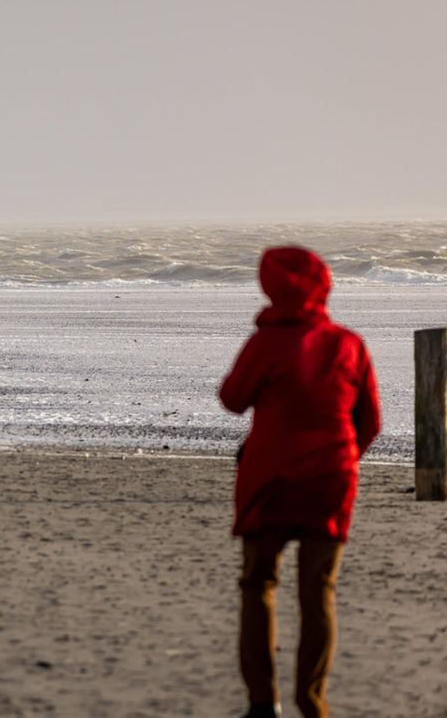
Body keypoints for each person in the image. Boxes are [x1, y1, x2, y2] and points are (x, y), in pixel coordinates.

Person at [219, 246, 380, 718]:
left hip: (268, 480)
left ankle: (262, 703)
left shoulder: (265, 343)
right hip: (330, 480)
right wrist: (344, 457)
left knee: (258, 586)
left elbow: (232, 399)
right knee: (318, 593)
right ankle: (312, 702)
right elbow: (369, 421)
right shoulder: (348, 343)